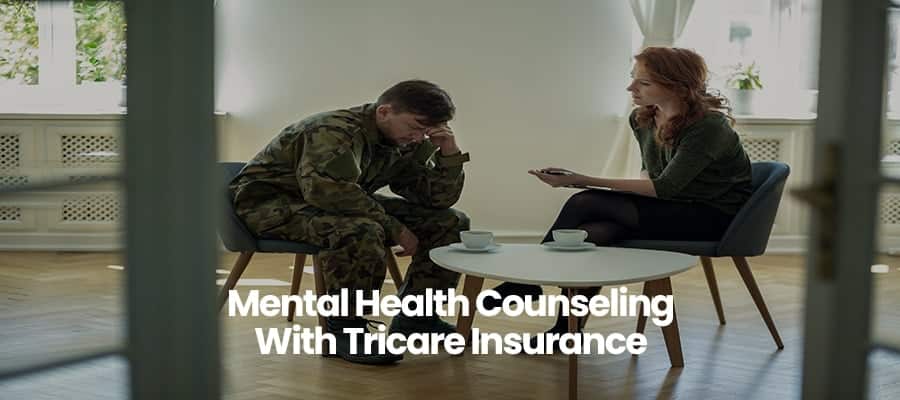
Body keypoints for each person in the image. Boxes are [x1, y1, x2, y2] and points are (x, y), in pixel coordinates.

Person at [490, 47, 753, 344]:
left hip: (712, 218)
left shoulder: (708, 127)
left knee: (584, 199)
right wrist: (588, 182)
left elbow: (665, 187)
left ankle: (527, 281)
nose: (631, 88)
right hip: (671, 208)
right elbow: (649, 174)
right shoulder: (643, 119)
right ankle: (564, 332)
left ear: (677, 86)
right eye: (633, 79)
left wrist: (580, 180)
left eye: (643, 83)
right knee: (590, 236)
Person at [229, 80, 471, 364]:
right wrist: (395, 227)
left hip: (333, 200)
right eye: (415, 127)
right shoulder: (334, 130)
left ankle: (417, 318)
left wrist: (450, 155)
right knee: (360, 230)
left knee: (449, 221)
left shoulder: (405, 141)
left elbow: (436, 200)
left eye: (426, 131)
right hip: (269, 204)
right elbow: (326, 191)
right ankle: (344, 330)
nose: (419, 137)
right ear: (384, 112)